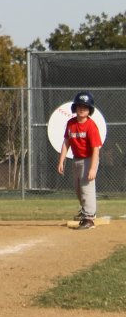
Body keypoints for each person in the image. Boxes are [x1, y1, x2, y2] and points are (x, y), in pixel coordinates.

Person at [58, 91, 102, 230]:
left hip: (89, 159)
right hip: (77, 160)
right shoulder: (71, 123)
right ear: (75, 108)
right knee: (78, 189)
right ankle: (85, 211)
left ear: (90, 110)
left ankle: (89, 218)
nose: (82, 109)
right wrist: (61, 160)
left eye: (85, 107)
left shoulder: (91, 126)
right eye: (79, 106)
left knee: (86, 188)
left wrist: (93, 168)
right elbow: (66, 142)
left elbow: (96, 149)